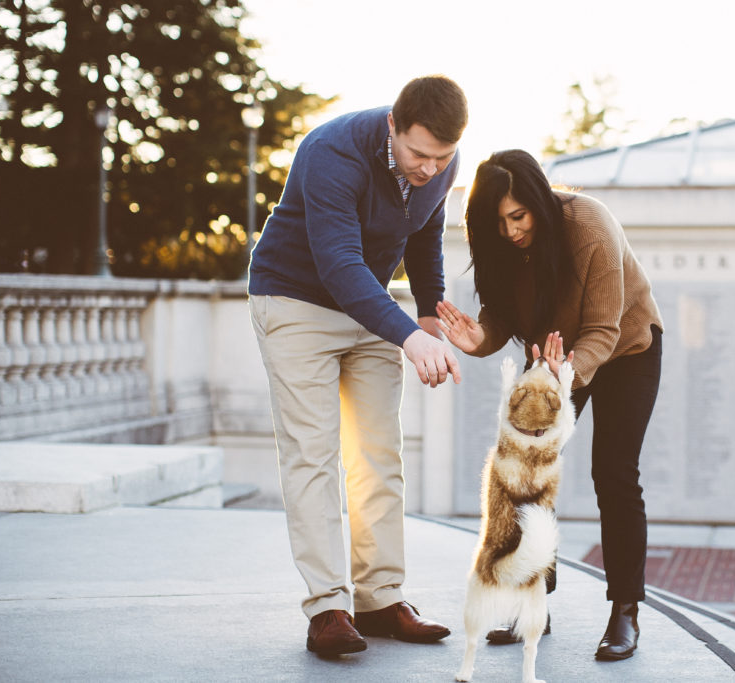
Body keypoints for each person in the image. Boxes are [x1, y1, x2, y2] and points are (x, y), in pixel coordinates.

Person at [247, 75, 467, 657]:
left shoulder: (442, 161)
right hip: (295, 300)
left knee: (378, 452)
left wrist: (429, 314)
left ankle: (379, 599)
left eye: (441, 157)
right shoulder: (332, 151)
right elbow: (340, 263)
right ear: (393, 125)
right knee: (313, 455)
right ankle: (327, 608)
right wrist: (407, 338)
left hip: (368, 304)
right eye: (418, 154)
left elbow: (427, 232)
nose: (429, 168)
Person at [436, 149, 663, 661]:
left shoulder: (589, 223)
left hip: (625, 350)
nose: (512, 230)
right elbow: (499, 313)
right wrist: (478, 338)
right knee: (529, 475)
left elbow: (603, 329)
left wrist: (563, 380)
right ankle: (534, 602)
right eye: (499, 222)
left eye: (519, 215)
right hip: (554, 360)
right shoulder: (505, 245)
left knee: (614, 472)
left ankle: (625, 611)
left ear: (539, 200)